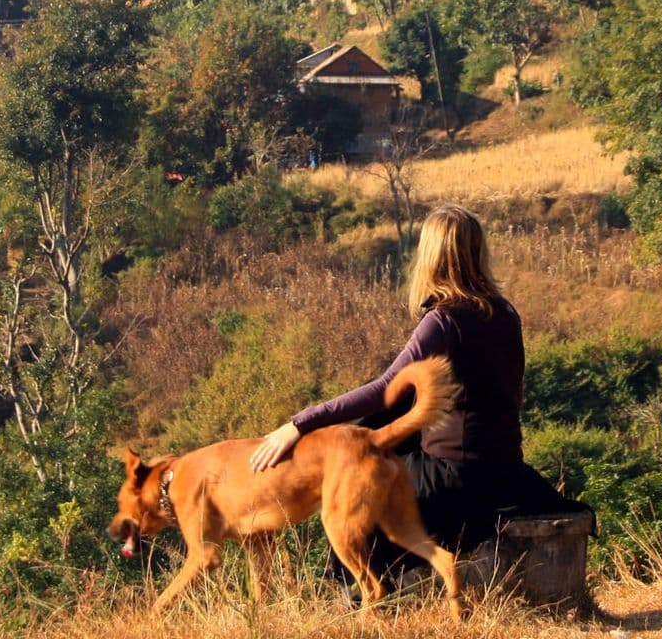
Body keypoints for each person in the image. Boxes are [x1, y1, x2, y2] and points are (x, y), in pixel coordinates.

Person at [248, 203, 579, 559]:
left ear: (431, 256)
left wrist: (300, 424)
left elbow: (385, 390)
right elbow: (513, 395)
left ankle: (369, 590)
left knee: (353, 491)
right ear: (478, 251)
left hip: (456, 474)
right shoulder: (505, 312)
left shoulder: (445, 320)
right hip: (506, 470)